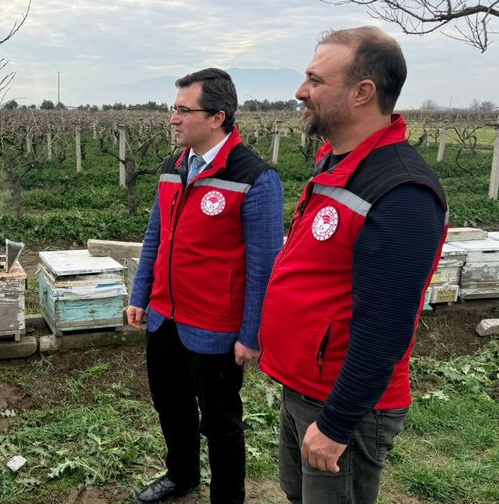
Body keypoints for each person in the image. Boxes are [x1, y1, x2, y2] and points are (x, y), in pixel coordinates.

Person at [258, 27, 447, 504]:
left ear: (363, 93)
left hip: (344, 405)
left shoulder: (402, 191)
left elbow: (385, 327)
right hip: (306, 386)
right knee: (298, 495)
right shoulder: (337, 163)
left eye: (315, 80)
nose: (301, 91)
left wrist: (337, 423)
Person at [128, 68, 284, 504]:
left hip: (215, 329)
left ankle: (228, 497)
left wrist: (252, 335)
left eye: (182, 110)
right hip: (165, 319)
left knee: (220, 422)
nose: (172, 119)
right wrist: (141, 296)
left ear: (217, 117)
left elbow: (263, 268)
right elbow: (155, 238)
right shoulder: (172, 167)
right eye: (172, 109)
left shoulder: (255, 177)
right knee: (171, 407)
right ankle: (182, 476)